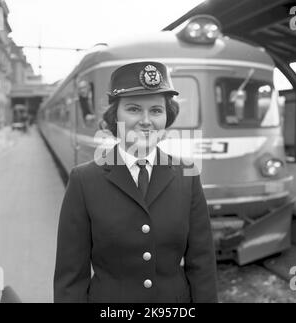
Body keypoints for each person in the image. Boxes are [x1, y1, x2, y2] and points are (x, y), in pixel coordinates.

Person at [54, 61, 218, 303]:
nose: (146, 121)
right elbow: (71, 278)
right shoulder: (84, 180)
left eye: (156, 110)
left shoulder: (187, 175)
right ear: (114, 117)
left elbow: (202, 264)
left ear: (166, 117)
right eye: (133, 109)